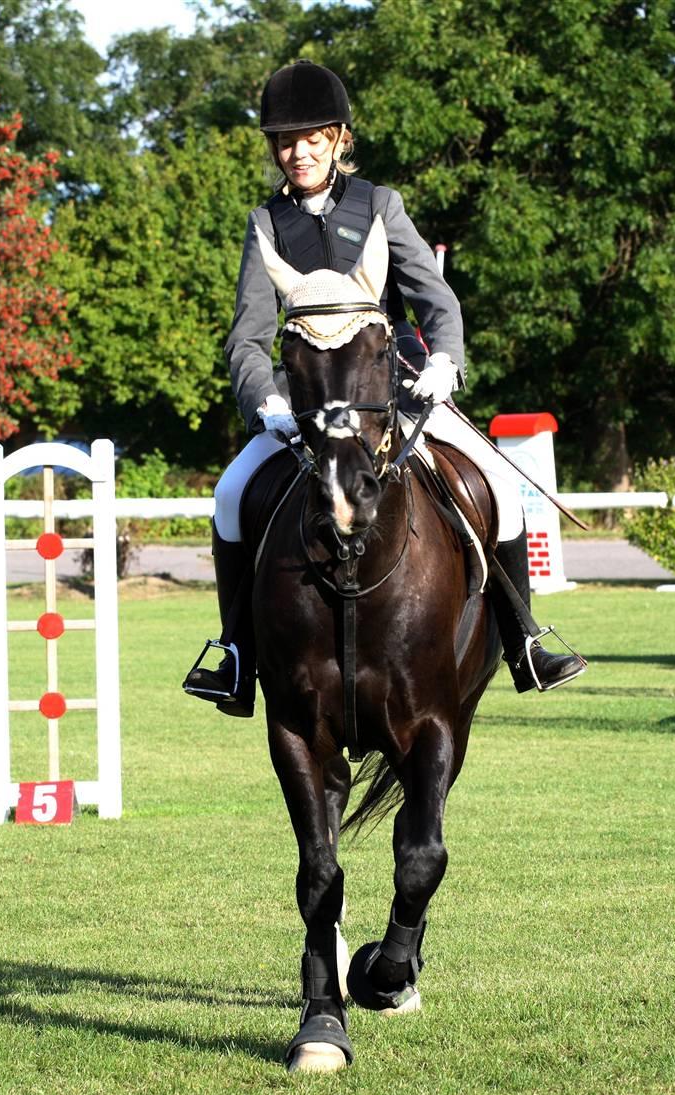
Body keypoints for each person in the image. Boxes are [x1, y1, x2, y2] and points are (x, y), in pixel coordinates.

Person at [183, 60, 586, 715]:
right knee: (231, 494)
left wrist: (443, 361)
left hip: (392, 394)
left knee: (501, 486)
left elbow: (437, 300)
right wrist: (267, 402)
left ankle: (524, 642)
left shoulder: (380, 206)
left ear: (339, 138)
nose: (298, 151)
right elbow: (248, 337)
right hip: (303, 404)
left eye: (312, 137)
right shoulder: (264, 226)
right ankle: (235, 655)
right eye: (286, 141)